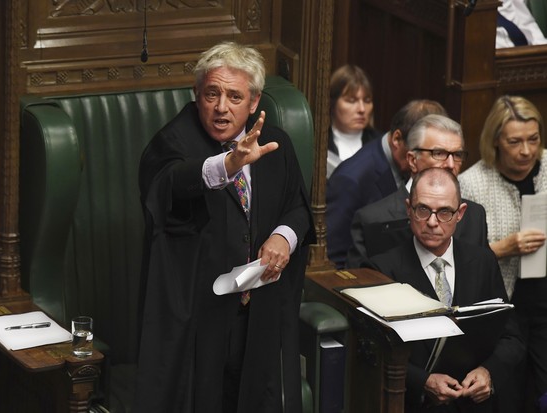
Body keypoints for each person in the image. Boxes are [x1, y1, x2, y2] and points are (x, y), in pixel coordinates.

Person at [134, 41, 315, 413]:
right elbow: (169, 184)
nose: (221, 107)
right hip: (198, 327)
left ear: (254, 102)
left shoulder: (274, 143)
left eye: (234, 96)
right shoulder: (172, 144)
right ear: (196, 95)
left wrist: (285, 236)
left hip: (258, 316)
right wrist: (227, 166)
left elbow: (297, 206)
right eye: (212, 94)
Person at [365, 167, 524, 412]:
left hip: (474, 404)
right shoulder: (381, 269)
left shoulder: (482, 261)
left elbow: (511, 337)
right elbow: (371, 351)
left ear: (460, 213)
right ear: (409, 209)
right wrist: (423, 382)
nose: (432, 222)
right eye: (423, 210)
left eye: (444, 212)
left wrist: (488, 373)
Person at [458, 95, 547, 412]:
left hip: (544, 304)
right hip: (502, 311)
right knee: (508, 396)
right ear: (496, 141)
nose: (526, 151)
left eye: (533, 139)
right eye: (515, 142)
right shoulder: (471, 184)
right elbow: (461, 261)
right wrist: (502, 248)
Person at [347, 114, 488, 268]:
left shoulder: (474, 215)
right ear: (413, 161)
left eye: (457, 155)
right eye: (439, 153)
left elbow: (483, 277)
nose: (450, 164)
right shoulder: (372, 219)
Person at [326, 100, 447, 268]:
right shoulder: (350, 180)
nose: (436, 162)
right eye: (423, 151)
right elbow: (334, 259)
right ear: (397, 139)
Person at [326, 64, 381, 178]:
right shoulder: (318, 143)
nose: (361, 109)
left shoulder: (380, 146)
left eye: (367, 100)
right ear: (332, 103)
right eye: (351, 100)